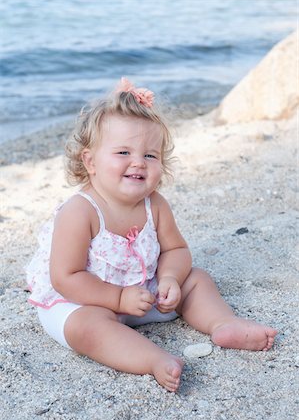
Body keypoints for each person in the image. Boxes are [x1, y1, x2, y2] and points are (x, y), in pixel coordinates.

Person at [26, 77, 277, 392]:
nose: (138, 163)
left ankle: (222, 323)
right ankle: (152, 359)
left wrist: (170, 278)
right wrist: (117, 298)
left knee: (196, 279)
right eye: (123, 152)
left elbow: (176, 250)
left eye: (150, 155)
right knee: (86, 328)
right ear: (90, 161)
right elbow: (67, 277)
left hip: (144, 295)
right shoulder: (80, 212)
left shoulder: (154, 205)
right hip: (85, 299)